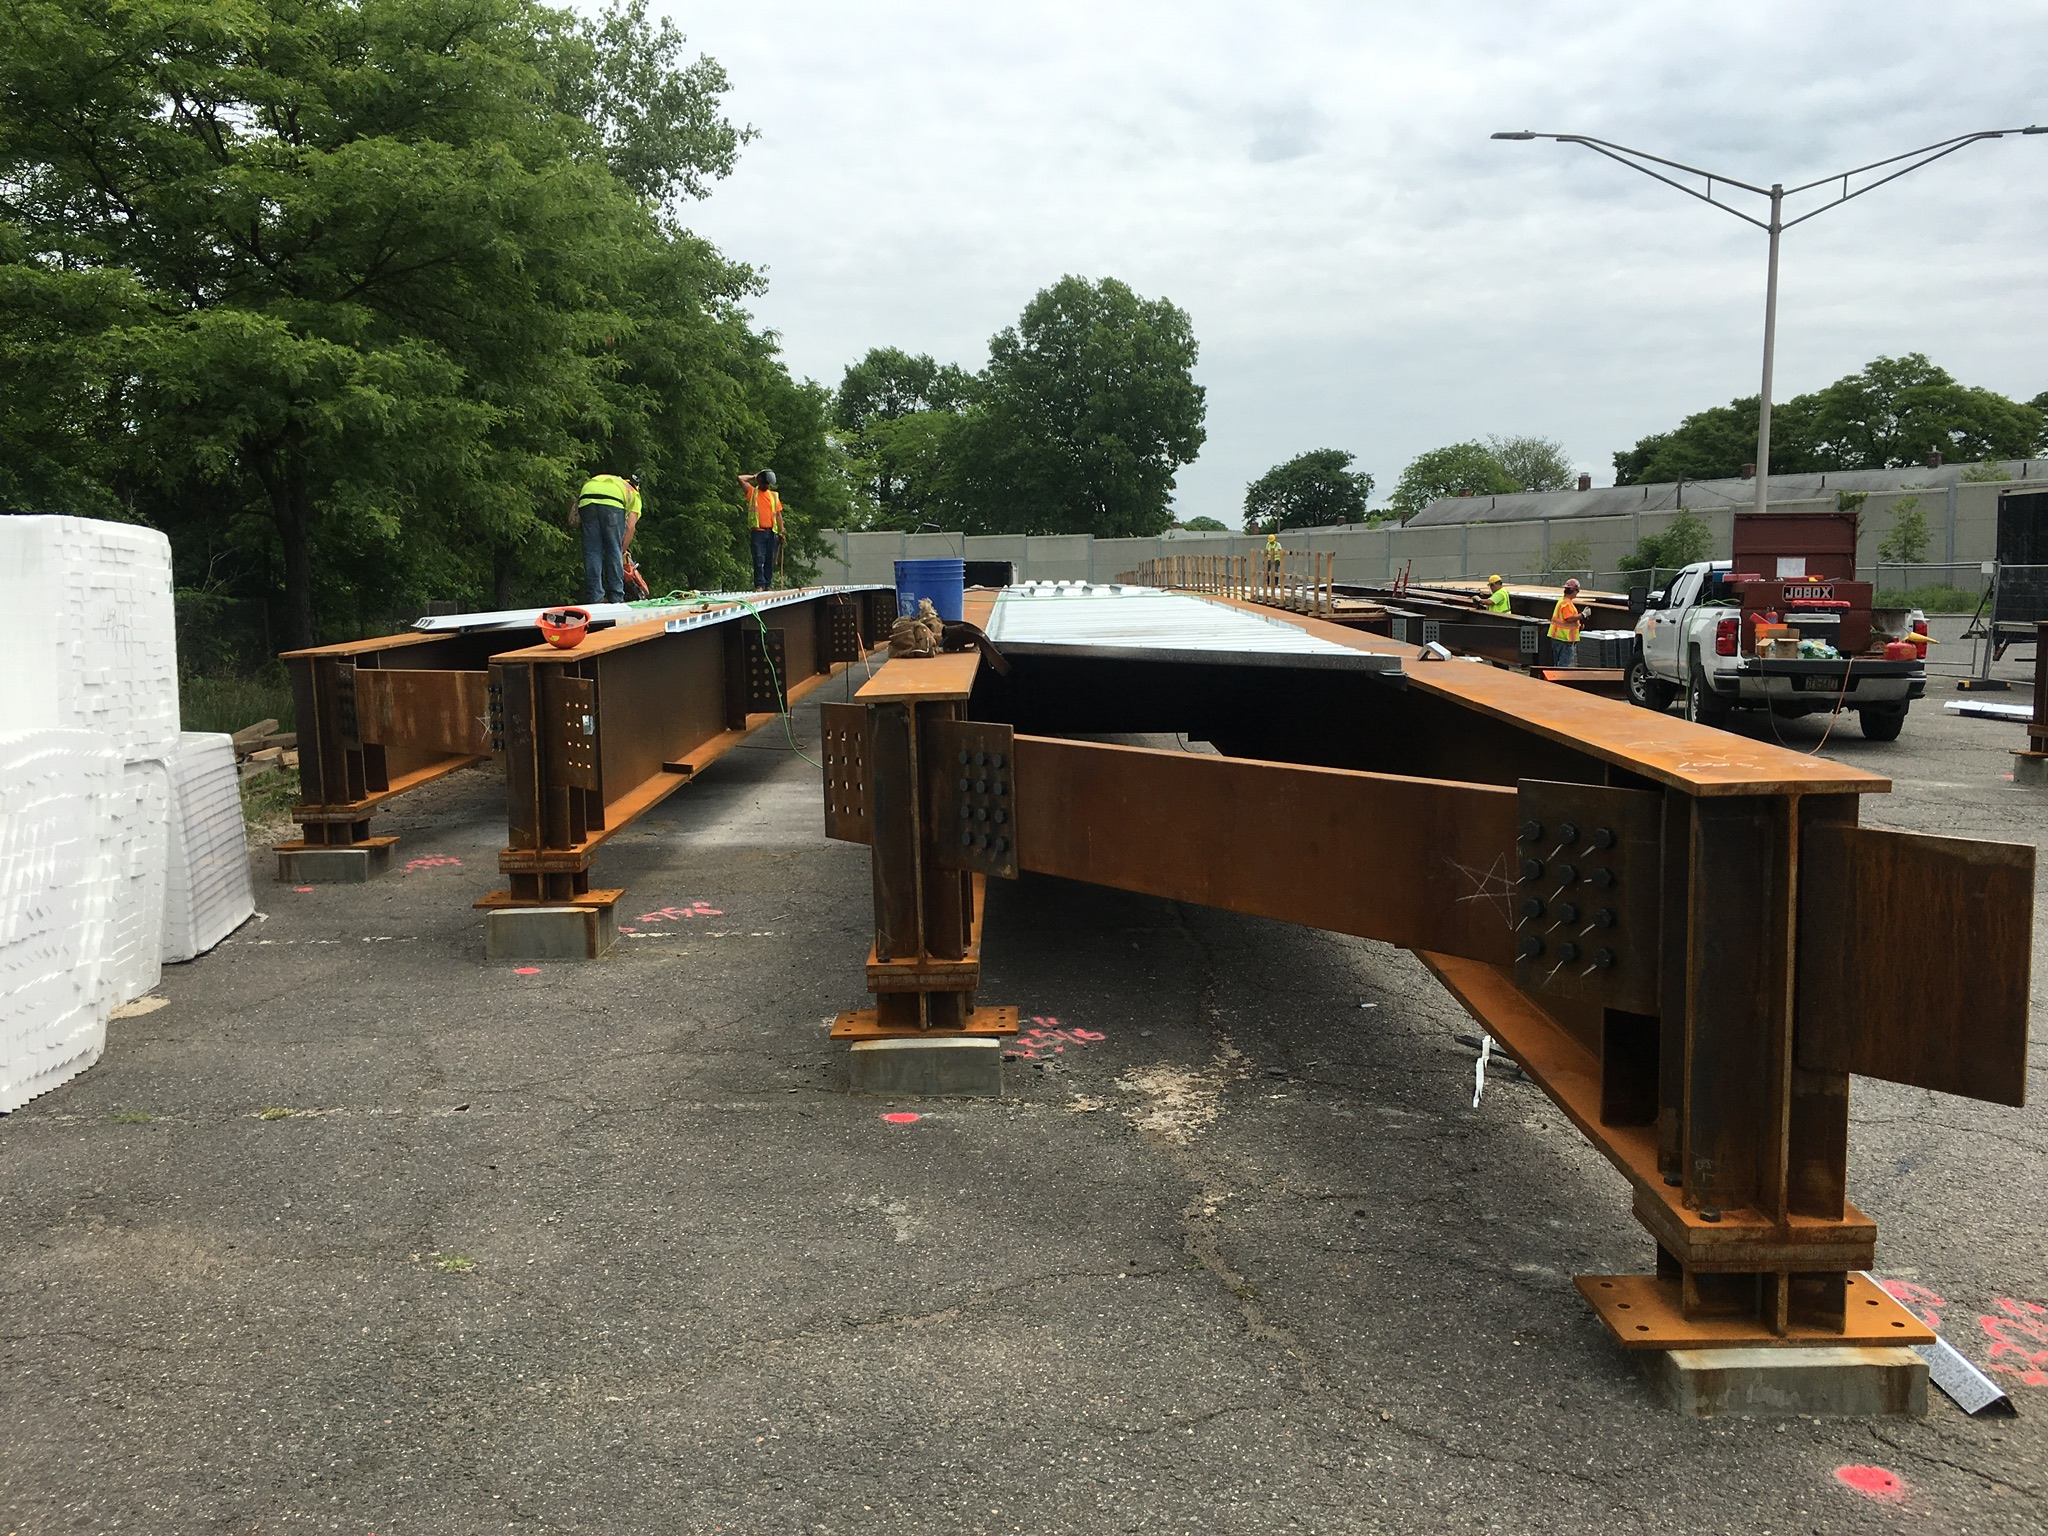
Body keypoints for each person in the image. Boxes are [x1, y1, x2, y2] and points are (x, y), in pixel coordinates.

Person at [571, 472, 640, 605]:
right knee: (613, 550)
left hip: (586, 497)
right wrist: (622, 551)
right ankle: (616, 596)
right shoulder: (634, 494)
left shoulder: (617, 482)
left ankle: (596, 598)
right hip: (612, 502)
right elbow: (630, 527)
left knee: (592, 551)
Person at [739, 468, 783, 591]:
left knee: (769, 560)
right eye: (765, 483)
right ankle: (760, 584)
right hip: (758, 532)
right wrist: (754, 476)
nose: (767, 486)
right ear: (760, 481)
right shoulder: (752, 493)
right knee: (759, 559)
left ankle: (768, 584)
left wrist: (782, 530)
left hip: (771, 532)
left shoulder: (774, 496)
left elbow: (778, 514)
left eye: (768, 484)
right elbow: (740, 478)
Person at [1548, 578, 1584, 668]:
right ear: (1574, 591)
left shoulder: (1562, 601)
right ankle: (1560, 680)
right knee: (1564, 665)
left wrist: (1578, 625)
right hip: (1564, 638)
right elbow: (1569, 618)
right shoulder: (1567, 603)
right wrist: (1582, 615)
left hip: (1558, 637)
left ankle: (1554, 680)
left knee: (1558, 663)